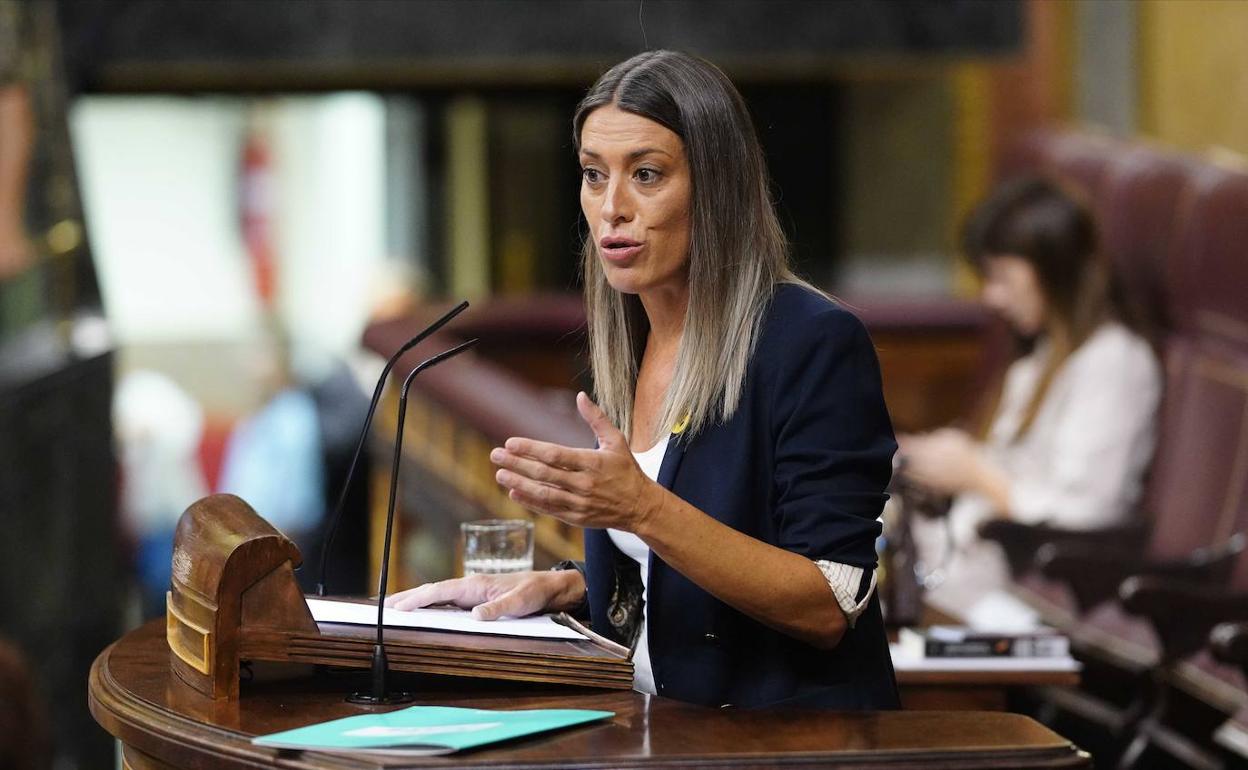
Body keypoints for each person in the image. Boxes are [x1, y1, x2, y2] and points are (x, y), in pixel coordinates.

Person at [388, 50, 898, 709]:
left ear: (717, 188)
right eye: (593, 175)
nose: (612, 208)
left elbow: (828, 603)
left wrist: (641, 509)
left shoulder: (811, 342)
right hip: (655, 727)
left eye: (647, 174)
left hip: (782, 740)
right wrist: (570, 586)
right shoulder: (630, 340)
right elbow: (672, 567)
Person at [898, 176, 1162, 623]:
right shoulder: (1041, 355)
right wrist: (939, 458)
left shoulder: (1113, 361)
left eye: (1002, 277)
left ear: (1053, 269)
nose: (991, 296)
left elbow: (1085, 513)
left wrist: (976, 474)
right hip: (977, 567)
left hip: (1031, 587)